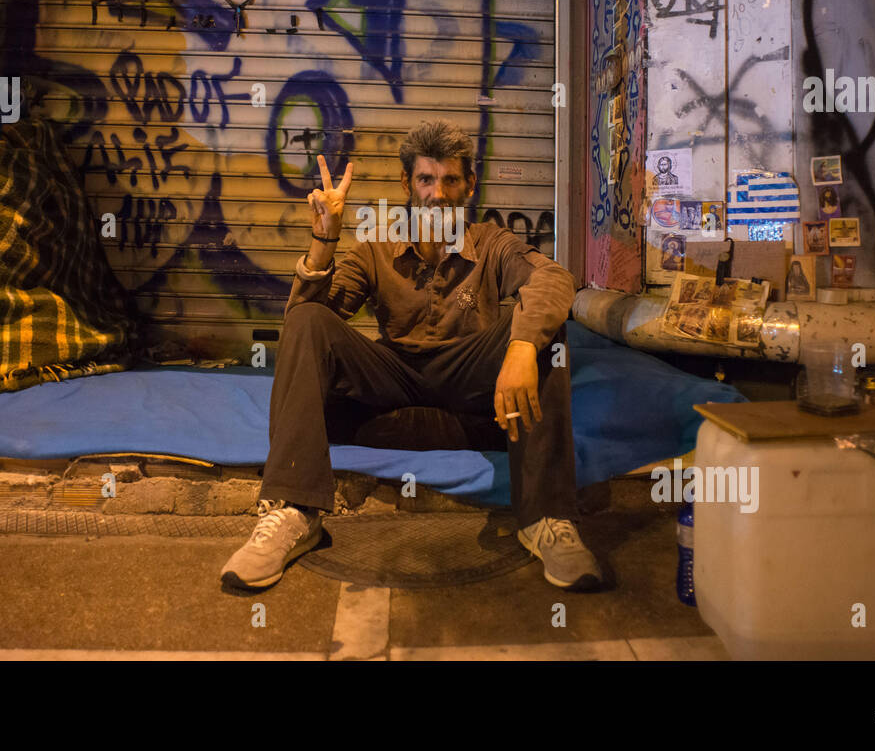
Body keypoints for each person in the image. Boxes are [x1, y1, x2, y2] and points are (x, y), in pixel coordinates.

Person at [220, 120, 602, 592]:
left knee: (546, 330)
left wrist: (522, 348)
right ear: (407, 184)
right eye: (426, 179)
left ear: (469, 186)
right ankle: (294, 512)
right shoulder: (377, 246)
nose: (437, 194)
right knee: (306, 321)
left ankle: (545, 518)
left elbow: (553, 280)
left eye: (450, 180)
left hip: (469, 381)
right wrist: (324, 241)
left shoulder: (492, 242)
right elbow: (312, 316)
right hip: (394, 376)